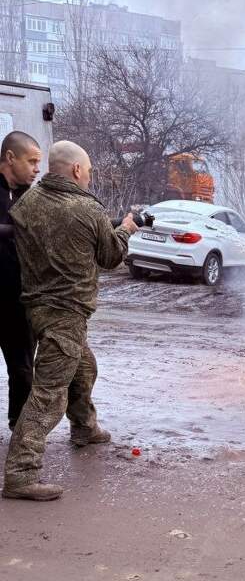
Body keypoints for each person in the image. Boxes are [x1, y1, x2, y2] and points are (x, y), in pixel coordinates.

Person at [2, 140, 139, 502]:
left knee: (85, 367)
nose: (90, 176)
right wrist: (125, 228)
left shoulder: (27, 202)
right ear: (77, 170)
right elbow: (111, 257)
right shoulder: (85, 208)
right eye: (89, 170)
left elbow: (57, 234)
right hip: (67, 312)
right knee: (47, 397)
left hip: (36, 308)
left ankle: (84, 426)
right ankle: (20, 473)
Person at [0, 131, 42, 430]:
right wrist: (15, 231)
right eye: (32, 161)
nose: (37, 169)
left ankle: (20, 427)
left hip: (19, 301)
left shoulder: (33, 197)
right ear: (10, 158)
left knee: (23, 370)